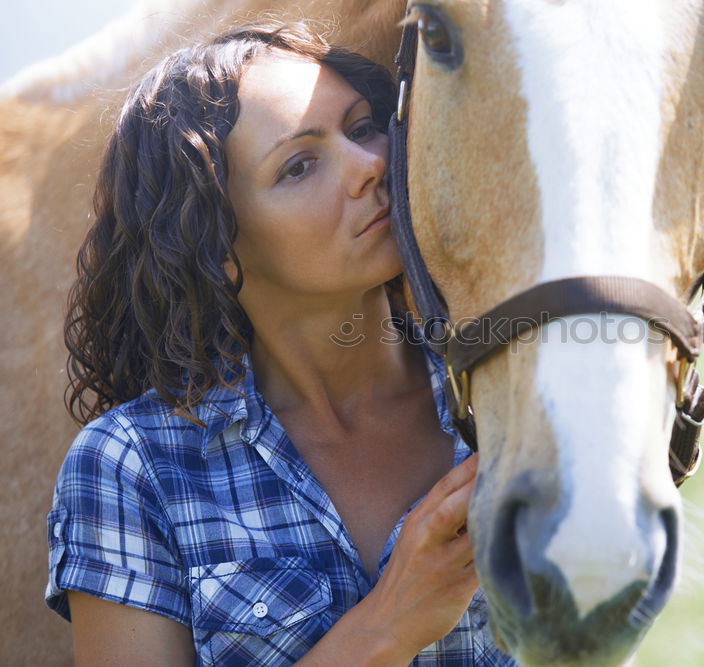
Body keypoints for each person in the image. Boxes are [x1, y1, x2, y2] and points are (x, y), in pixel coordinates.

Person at [46, 21, 513, 666]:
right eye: (299, 166)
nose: (371, 166)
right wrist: (387, 627)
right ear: (217, 247)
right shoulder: (133, 467)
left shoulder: (506, 395)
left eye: (361, 127)